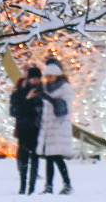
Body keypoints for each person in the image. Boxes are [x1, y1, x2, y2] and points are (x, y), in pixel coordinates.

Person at [39, 57, 75, 194]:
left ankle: (67, 184)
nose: (48, 79)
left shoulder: (65, 87)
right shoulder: (46, 88)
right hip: (49, 129)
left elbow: (63, 107)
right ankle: (49, 186)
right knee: (49, 158)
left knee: (57, 158)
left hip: (59, 128)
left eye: (50, 76)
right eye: (46, 76)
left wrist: (47, 98)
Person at [10, 65, 44, 192]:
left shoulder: (43, 92)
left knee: (35, 158)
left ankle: (32, 187)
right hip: (24, 129)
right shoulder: (20, 91)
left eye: (38, 78)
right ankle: (23, 185)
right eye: (33, 78)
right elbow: (14, 111)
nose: (35, 81)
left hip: (38, 129)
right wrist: (28, 99)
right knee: (23, 158)